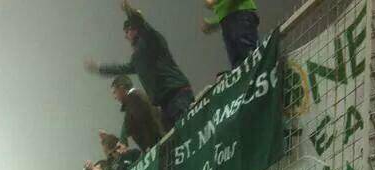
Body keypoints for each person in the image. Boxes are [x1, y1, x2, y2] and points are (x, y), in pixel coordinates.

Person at [85, 0, 193, 130]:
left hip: (177, 95)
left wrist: (129, 12)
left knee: (190, 129)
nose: (126, 37)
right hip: (165, 104)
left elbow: (142, 25)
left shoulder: (151, 40)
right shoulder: (137, 58)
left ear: (135, 30)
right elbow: (120, 69)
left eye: (127, 31)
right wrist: (99, 69)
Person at [110, 75, 163, 153]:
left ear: (121, 88)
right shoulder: (135, 97)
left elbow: (145, 123)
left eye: (115, 92)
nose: (114, 97)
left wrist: (149, 147)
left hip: (158, 146)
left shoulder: (134, 98)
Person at [201, 0, 259, 69]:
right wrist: (214, 23)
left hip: (240, 14)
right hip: (230, 20)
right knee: (238, 65)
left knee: (248, 58)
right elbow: (225, 10)